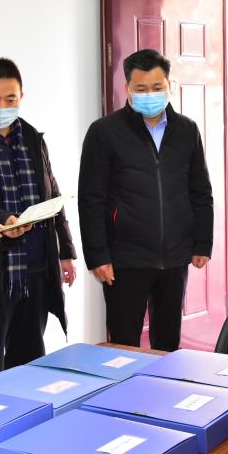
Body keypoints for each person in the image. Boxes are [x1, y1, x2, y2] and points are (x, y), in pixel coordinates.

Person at [79, 49, 214, 351]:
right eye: (140, 88)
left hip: (175, 257)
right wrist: (98, 255)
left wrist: (202, 243)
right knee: (124, 345)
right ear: (127, 88)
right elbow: (91, 200)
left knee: (168, 345)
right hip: (125, 259)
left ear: (169, 86)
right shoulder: (104, 132)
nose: (150, 95)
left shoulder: (187, 130)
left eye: (157, 87)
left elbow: (200, 191)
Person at [0, 58, 78, 376]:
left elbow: (52, 193)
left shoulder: (32, 138)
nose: (2, 107)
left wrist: (65, 251)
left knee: (29, 362)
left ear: (21, 97)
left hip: (34, 268)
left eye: (10, 99)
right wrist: (3, 219)